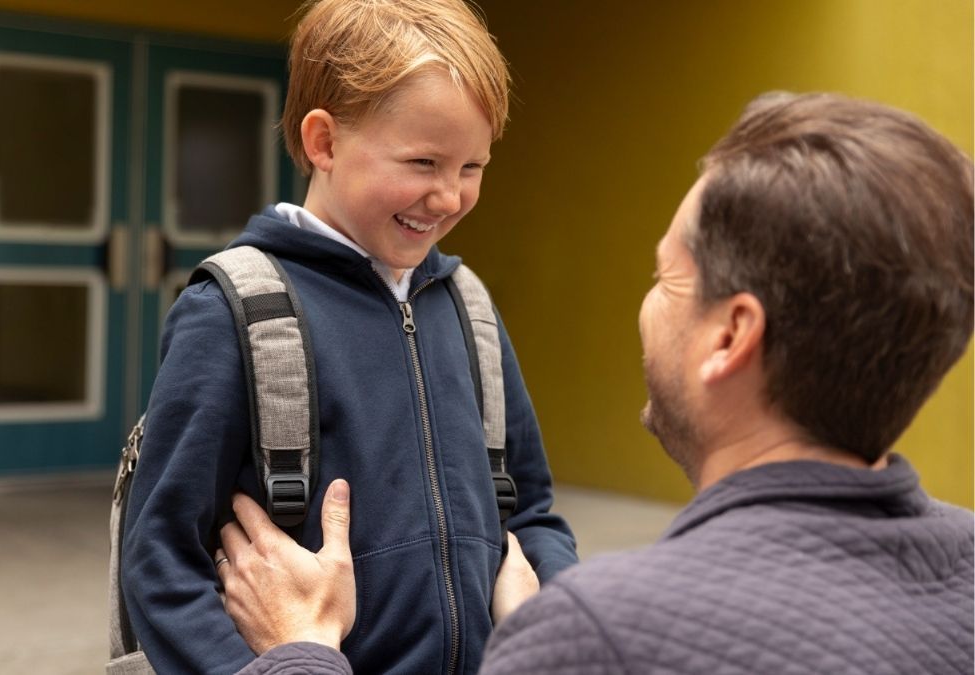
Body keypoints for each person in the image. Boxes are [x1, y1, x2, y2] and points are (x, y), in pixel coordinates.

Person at [217, 91, 975, 674]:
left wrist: (299, 648)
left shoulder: (598, 639)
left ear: (732, 335)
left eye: (666, 277)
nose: (646, 305)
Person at [120, 0, 578, 672]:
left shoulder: (468, 306)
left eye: (471, 168)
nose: (449, 196)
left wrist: (554, 619)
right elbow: (160, 559)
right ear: (324, 142)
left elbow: (531, 510)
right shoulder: (231, 313)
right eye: (423, 162)